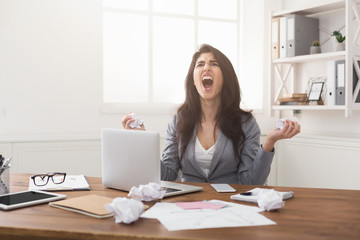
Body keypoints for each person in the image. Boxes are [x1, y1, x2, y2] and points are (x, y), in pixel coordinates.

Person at [122, 44, 300, 185]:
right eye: (200, 64)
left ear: (225, 77)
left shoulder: (246, 123)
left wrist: (269, 143)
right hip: (187, 205)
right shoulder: (178, 121)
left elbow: (251, 181)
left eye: (214, 64)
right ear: (193, 79)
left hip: (231, 204)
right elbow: (167, 175)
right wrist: (143, 141)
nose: (206, 67)